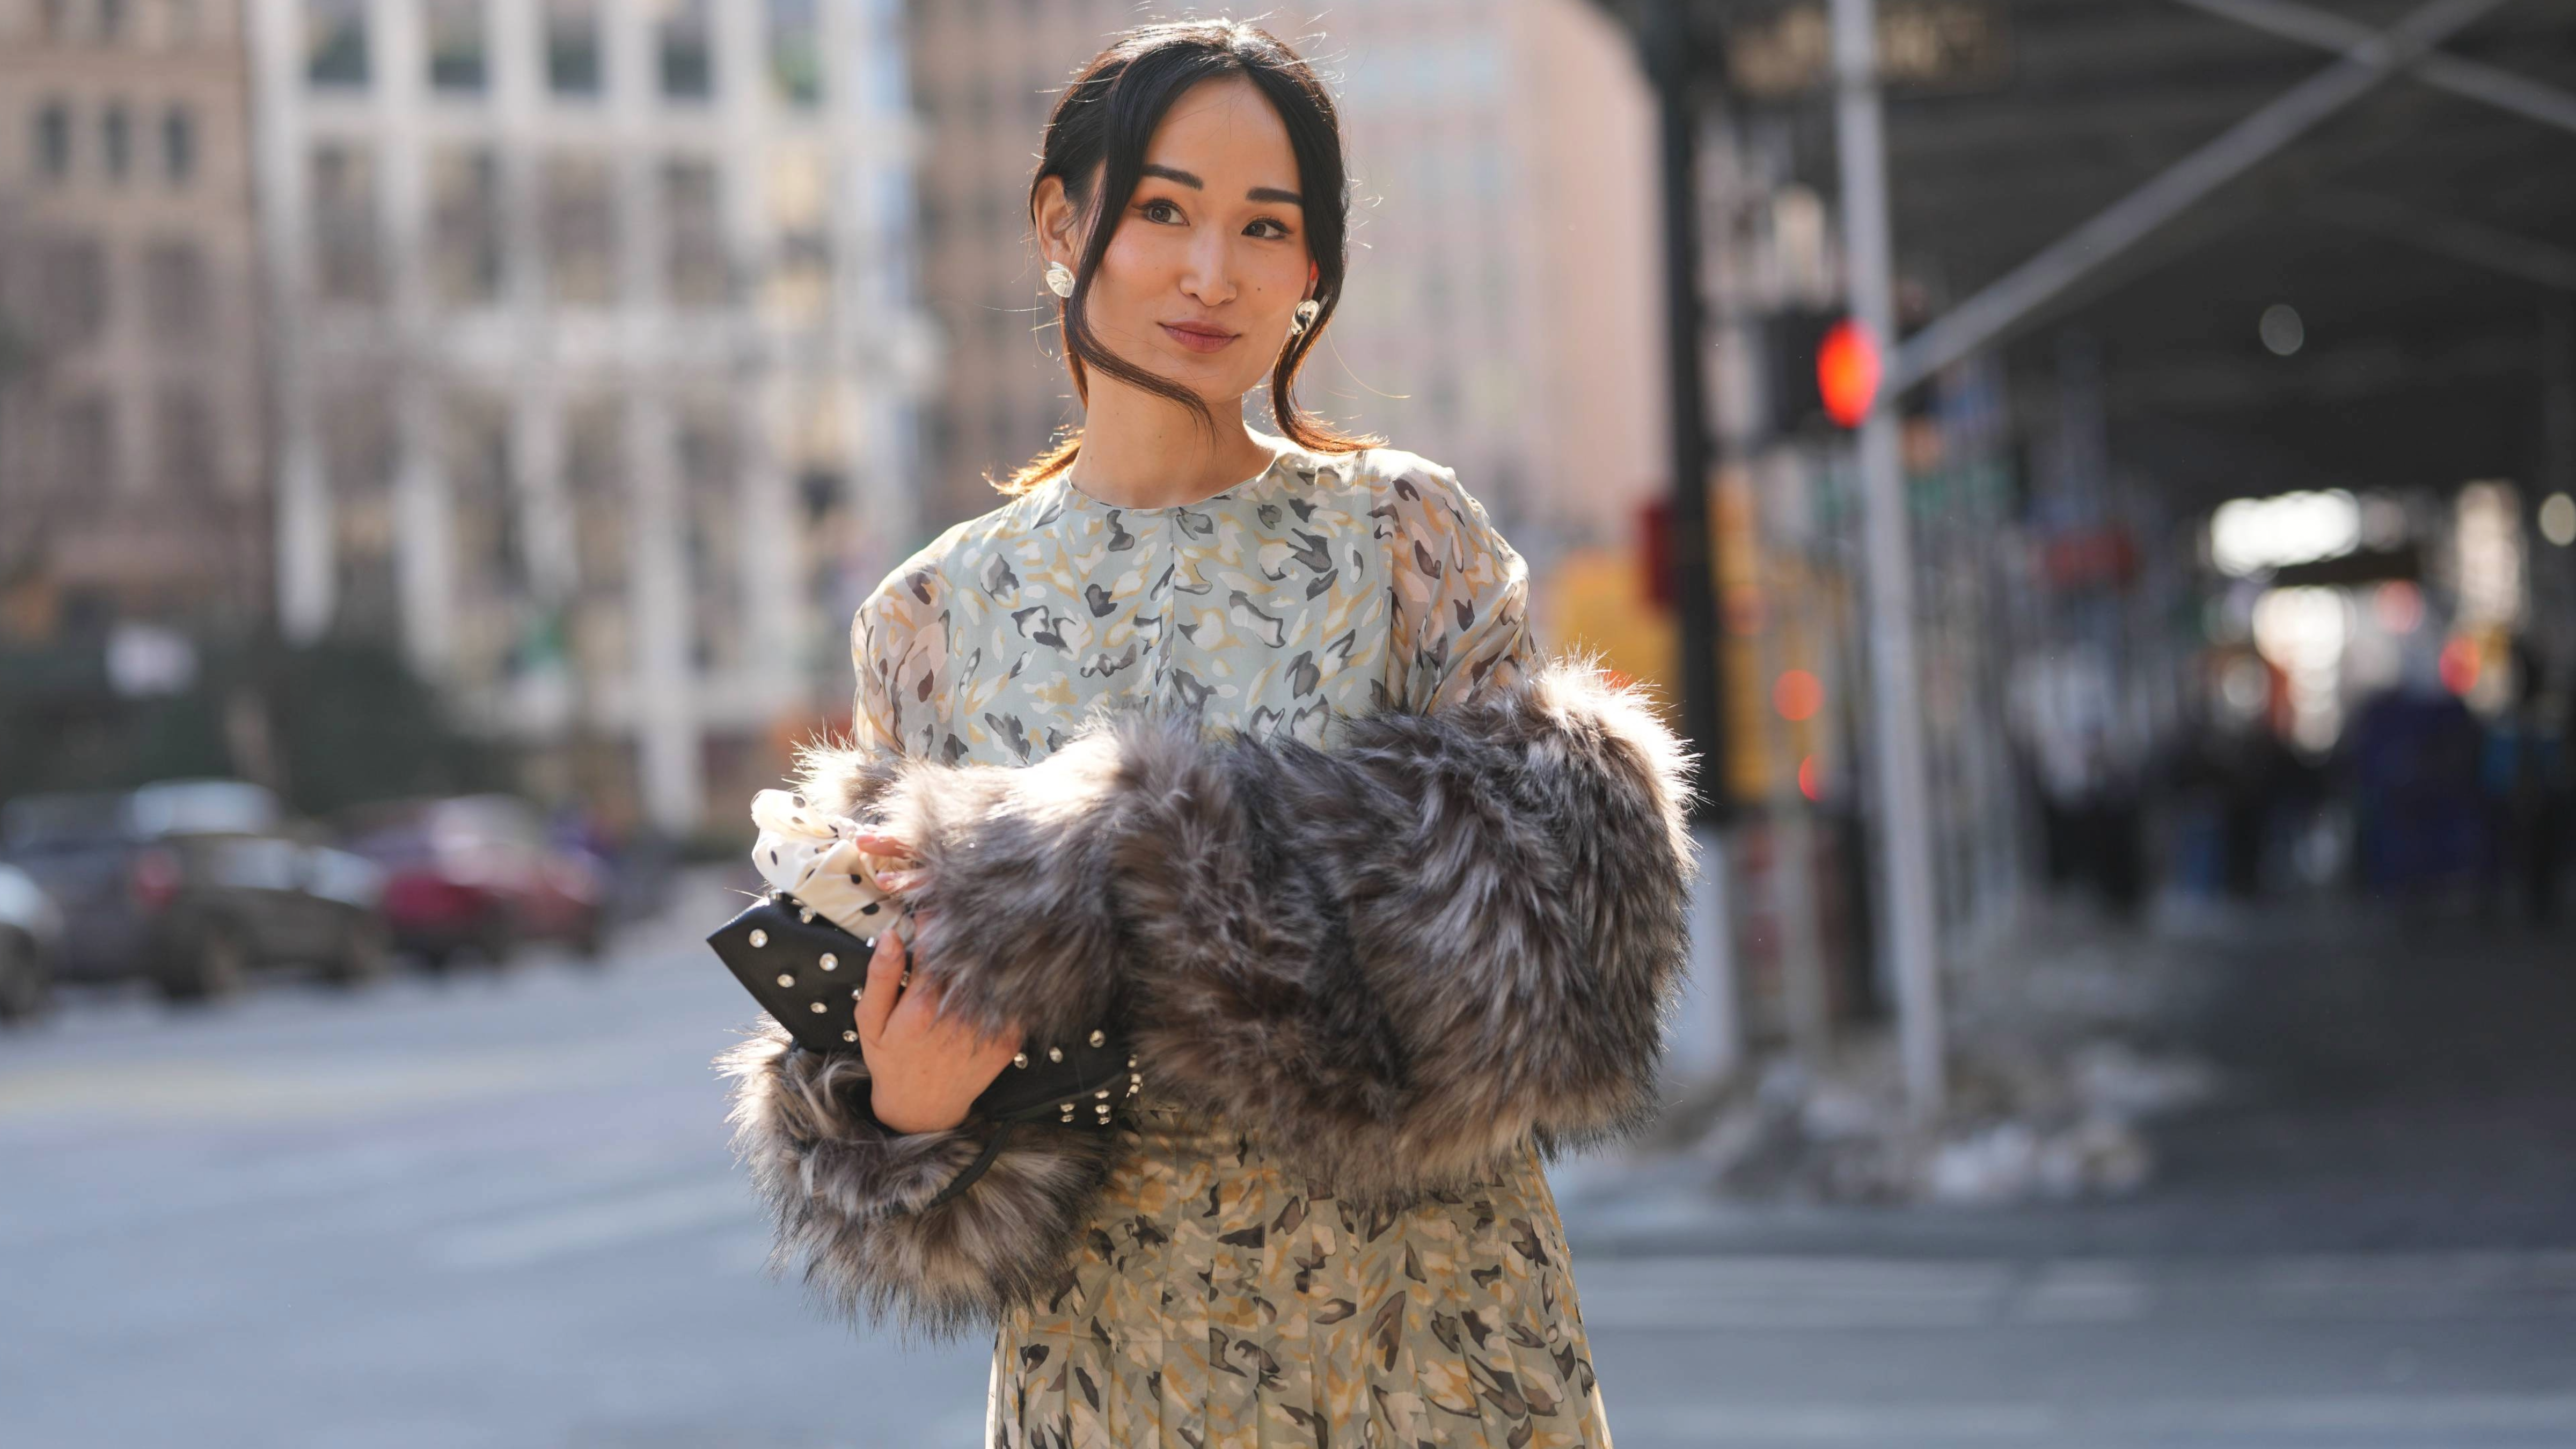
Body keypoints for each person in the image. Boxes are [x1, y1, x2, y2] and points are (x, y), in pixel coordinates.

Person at [718, 21, 1695, 1447]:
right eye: (1164, 210)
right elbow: (859, 1052)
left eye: (1266, 228)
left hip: (1432, 1347)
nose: (1209, 271)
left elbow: (1557, 978)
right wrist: (897, 1108)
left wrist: (1128, 849)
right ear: (1066, 223)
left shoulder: (1408, 539)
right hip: (1111, 1373)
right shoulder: (931, 615)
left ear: (1313, 275)